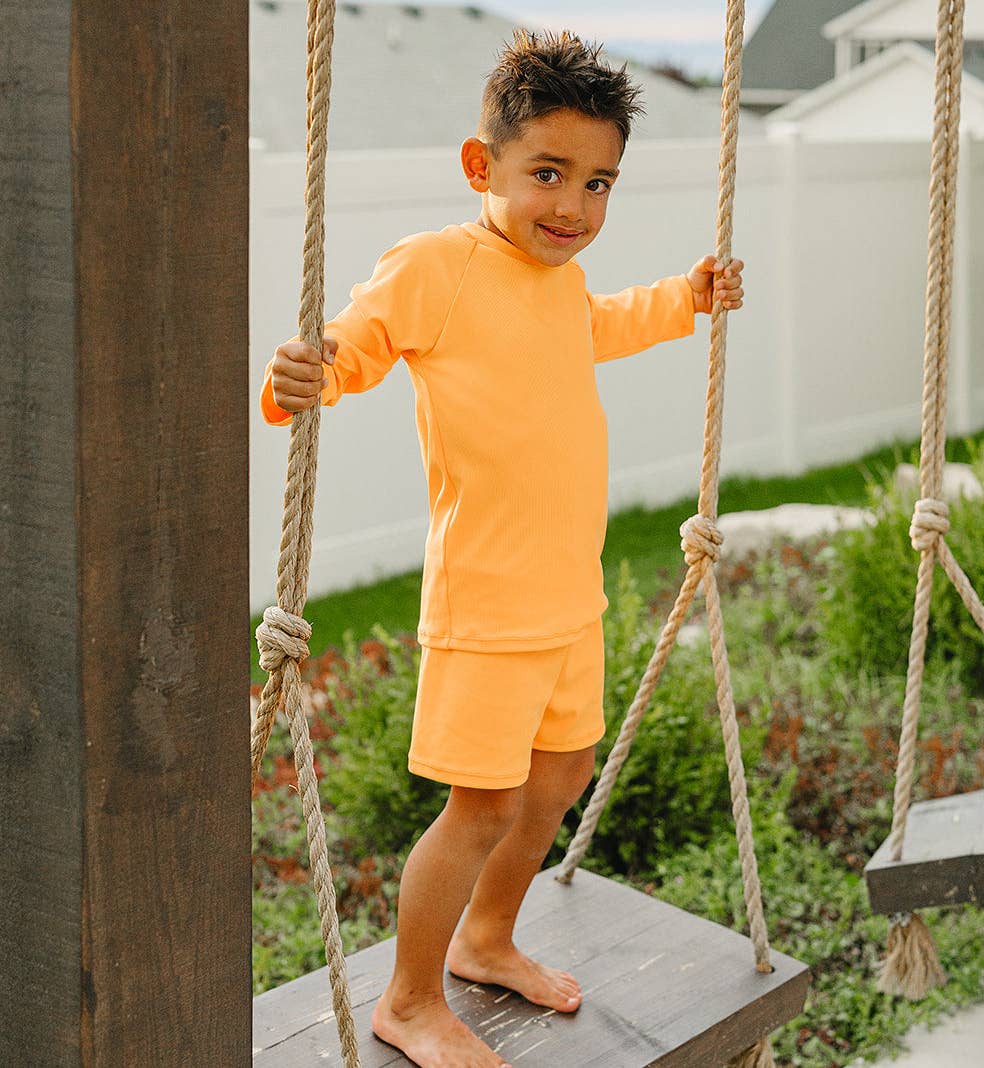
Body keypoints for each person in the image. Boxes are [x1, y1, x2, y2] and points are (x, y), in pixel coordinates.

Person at [260, 28, 744, 1068]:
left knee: (558, 774)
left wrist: (687, 297)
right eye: (548, 174)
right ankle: (407, 998)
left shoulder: (557, 283)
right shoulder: (439, 265)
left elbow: (600, 324)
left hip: (569, 598)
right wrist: (306, 371)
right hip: (486, 603)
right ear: (483, 167)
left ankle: (486, 939)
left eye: (597, 182)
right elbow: (355, 343)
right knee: (478, 807)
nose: (573, 206)